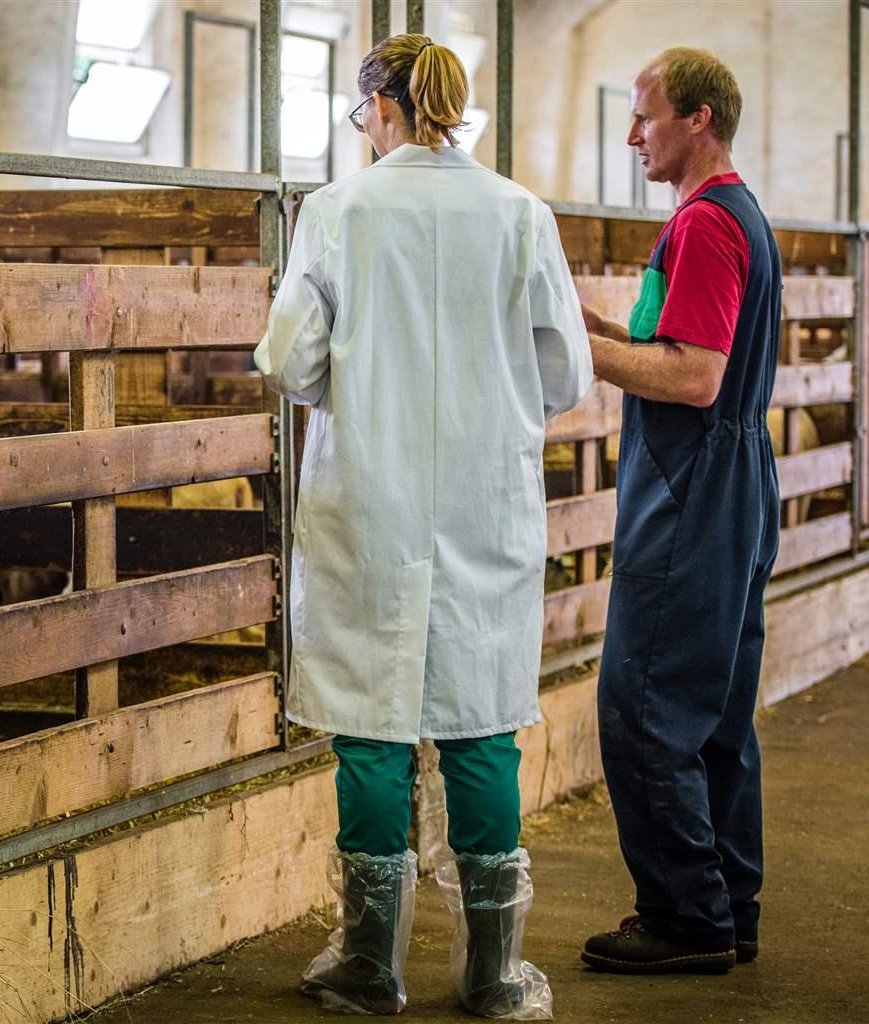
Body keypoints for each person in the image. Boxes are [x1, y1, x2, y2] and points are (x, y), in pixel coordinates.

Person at [255, 32, 591, 1019]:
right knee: (481, 725)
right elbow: (564, 372)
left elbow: (287, 361)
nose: (361, 127)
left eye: (362, 111)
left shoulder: (336, 211)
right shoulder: (518, 213)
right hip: (484, 499)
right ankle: (490, 972)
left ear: (381, 106)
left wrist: (350, 381)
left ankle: (370, 965)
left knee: (369, 726)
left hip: (370, 492)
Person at [577, 47, 781, 975]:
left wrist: (584, 360)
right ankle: (729, 906)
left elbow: (693, 377)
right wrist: (599, 332)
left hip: (692, 483)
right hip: (734, 478)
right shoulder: (739, 216)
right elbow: (684, 349)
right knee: (716, 712)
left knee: (645, 705)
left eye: (645, 117)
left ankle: (684, 919)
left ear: (698, 118)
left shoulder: (705, 225)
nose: (633, 136)